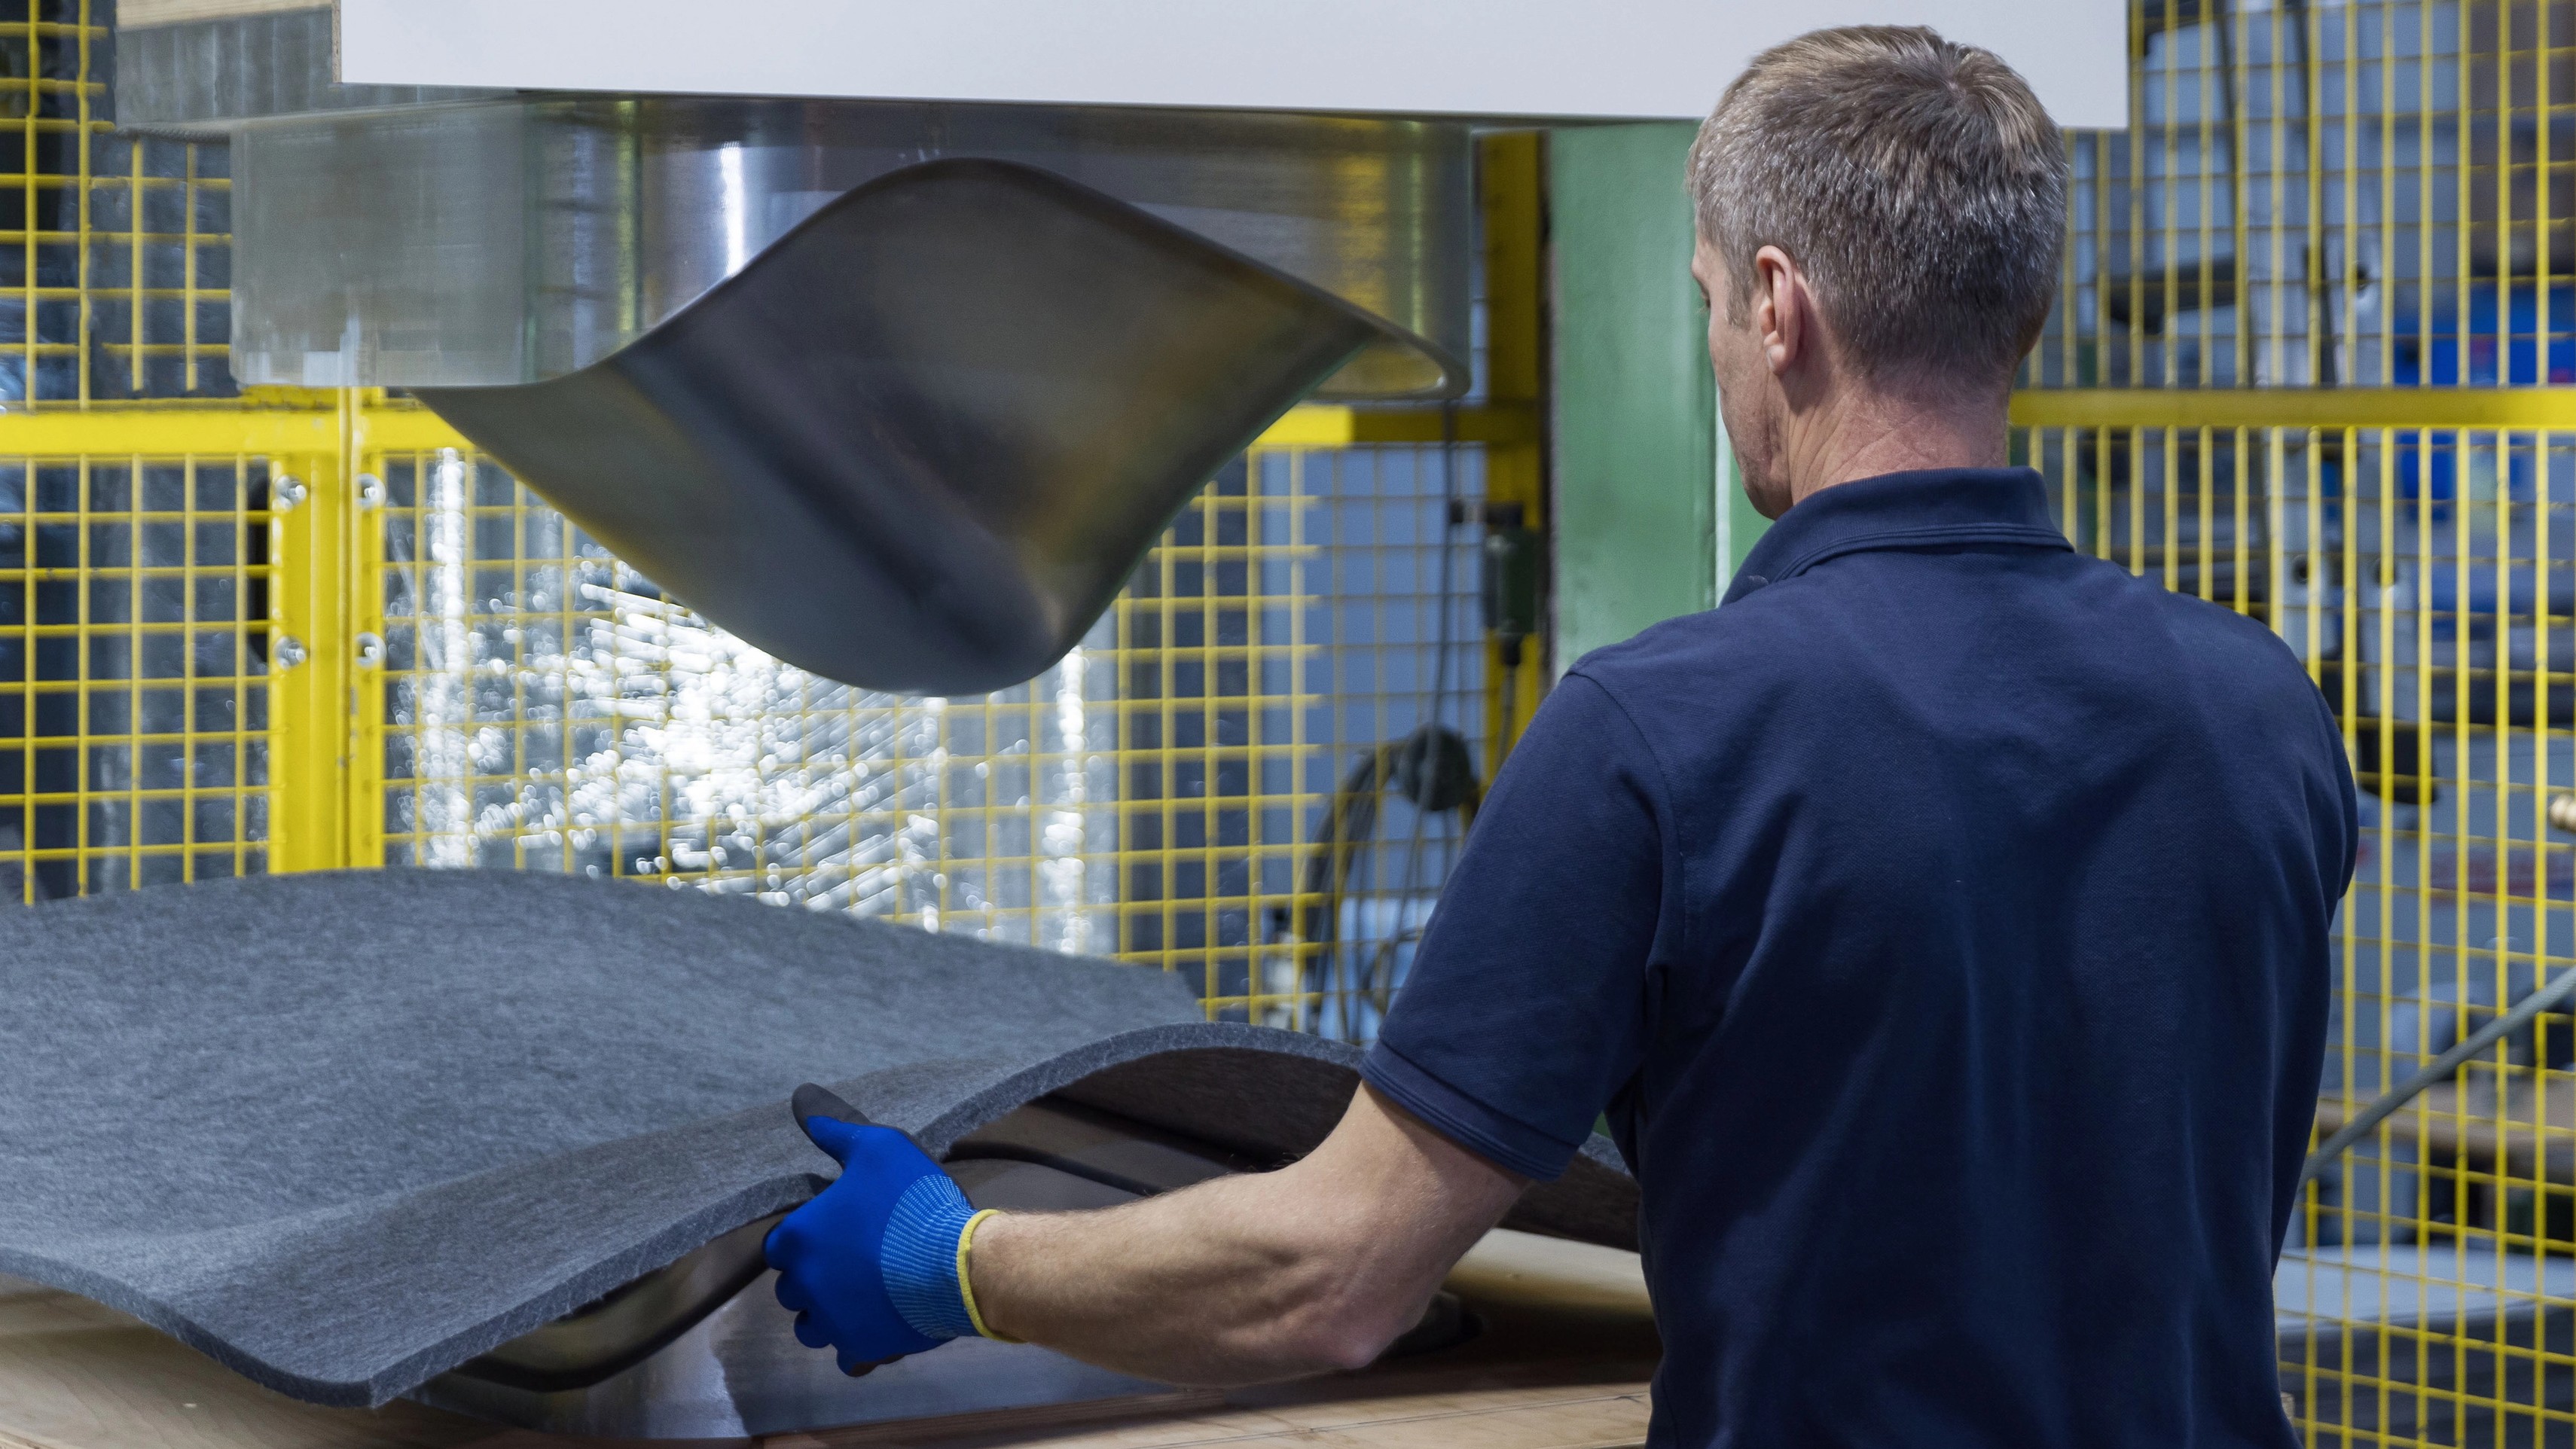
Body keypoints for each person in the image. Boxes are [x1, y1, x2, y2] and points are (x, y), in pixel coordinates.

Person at [763, 25, 2358, 1447]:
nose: (1724, 349)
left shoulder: (1665, 736)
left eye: (1714, 303)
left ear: (1780, 307)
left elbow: (1334, 1274)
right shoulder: (2260, 710)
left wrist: (953, 1259)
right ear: (2027, 319)